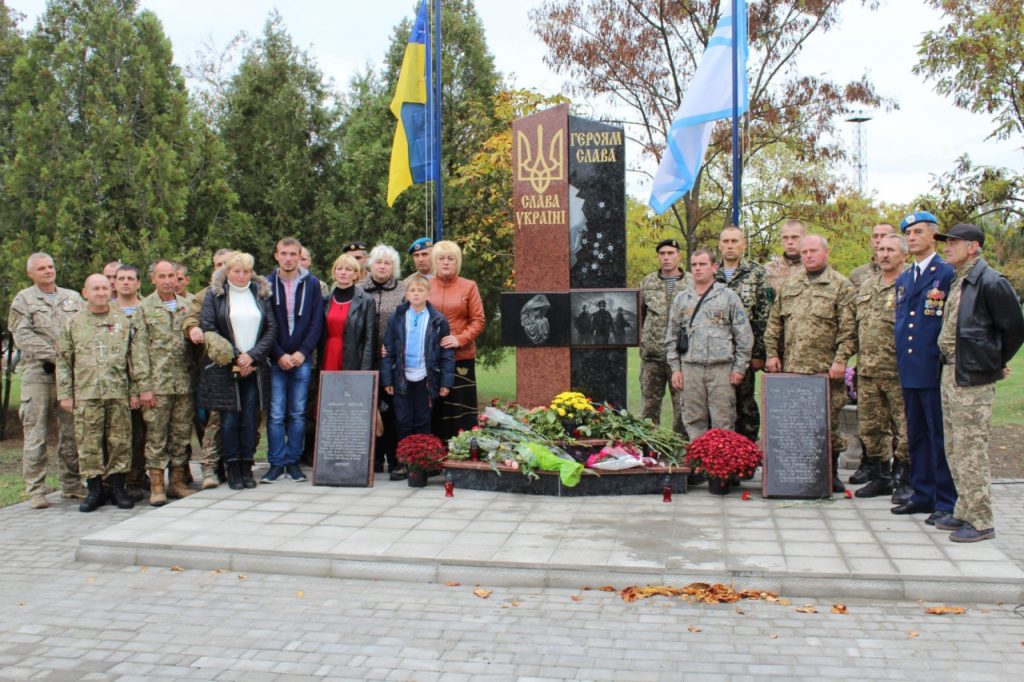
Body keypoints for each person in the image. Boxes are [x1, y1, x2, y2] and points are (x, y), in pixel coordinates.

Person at [933, 224, 1024, 542]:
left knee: (971, 450)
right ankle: (965, 511)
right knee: (955, 448)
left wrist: (994, 363)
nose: (947, 247)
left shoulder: (990, 281)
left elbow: (1014, 329)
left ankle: (982, 521)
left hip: (972, 377)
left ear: (973, 247)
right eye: (947, 242)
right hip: (952, 373)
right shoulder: (961, 279)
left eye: (954, 242)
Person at [765, 234, 856, 493]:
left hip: (825, 372)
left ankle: (831, 473)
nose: (808, 256)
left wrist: (841, 360)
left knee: (829, 424)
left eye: (813, 251)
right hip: (792, 371)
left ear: (825, 253)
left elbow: (848, 329)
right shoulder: (791, 284)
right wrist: (772, 353)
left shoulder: (841, 286)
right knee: (794, 424)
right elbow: (775, 323)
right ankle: (796, 474)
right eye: (804, 252)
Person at [891, 211, 957, 519]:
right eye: (908, 233)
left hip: (934, 367)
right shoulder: (905, 278)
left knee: (938, 436)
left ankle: (945, 500)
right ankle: (922, 492)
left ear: (933, 236)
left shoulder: (946, 273)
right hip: (909, 367)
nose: (912, 237)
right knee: (915, 433)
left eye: (918, 232)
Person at [56, 274, 140, 512]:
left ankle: (118, 488)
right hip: (86, 393)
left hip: (117, 392)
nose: (101, 293)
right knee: (89, 443)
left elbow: (133, 359)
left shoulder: (123, 321)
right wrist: (65, 393)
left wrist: (135, 390)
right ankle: (94, 490)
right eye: (96, 289)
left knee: (120, 442)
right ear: (85, 293)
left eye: (105, 288)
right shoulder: (73, 323)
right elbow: (63, 361)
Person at [7, 253, 85, 508]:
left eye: (50, 266)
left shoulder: (72, 297)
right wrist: (57, 353)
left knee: (71, 434)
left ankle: (71, 484)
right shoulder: (24, 300)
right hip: (38, 376)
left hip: (69, 378)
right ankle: (36, 490)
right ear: (31, 273)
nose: (48, 271)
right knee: (36, 434)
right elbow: (22, 336)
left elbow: (84, 327)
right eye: (41, 268)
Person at [197, 252, 276, 490]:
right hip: (225, 368)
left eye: (246, 271)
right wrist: (235, 357)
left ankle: (246, 466)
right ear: (227, 272)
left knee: (250, 419)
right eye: (236, 271)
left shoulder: (260, 295)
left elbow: (271, 329)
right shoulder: (216, 295)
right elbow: (209, 327)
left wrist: (252, 357)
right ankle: (232, 468)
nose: (241, 276)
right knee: (230, 419)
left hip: (254, 366)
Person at [666, 249, 753, 441]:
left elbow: (744, 335)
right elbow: (671, 336)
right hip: (690, 368)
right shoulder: (682, 298)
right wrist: (675, 369)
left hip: (721, 369)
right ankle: (699, 466)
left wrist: (739, 368)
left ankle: (721, 469)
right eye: (694, 265)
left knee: (723, 421)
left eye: (702, 264)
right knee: (693, 420)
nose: (697, 269)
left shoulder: (728, 297)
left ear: (714, 267)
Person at [132, 260, 198, 505]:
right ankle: (157, 486)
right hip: (157, 386)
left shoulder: (187, 306)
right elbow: (138, 351)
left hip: (184, 383)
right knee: (156, 436)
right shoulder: (144, 308)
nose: (168, 280)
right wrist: (144, 387)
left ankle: (177, 482)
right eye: (162, 276)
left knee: (181, 435)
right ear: (153, 279)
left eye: (172, 275)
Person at [850, 233, 909, 499]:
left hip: (899, 372)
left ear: (903, 255)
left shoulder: (910, 284)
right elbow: (855, 325)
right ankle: (882, 475)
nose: (884, 254)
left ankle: (907, 476)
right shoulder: (867, 285)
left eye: (891, 250)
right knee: (870, 428)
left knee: (905, 429)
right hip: (868, 371)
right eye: (881, 249)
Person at [263, 238, 324, 484]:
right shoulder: (266, 284)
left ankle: (293, 462)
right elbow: (265, 323)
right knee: (276, 413)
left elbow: (316, 322)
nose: (288, 258)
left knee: (298, 413)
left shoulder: (312, 284)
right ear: (276, 255)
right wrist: (277, 354)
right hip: (276, 358)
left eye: (293, 254)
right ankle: (276, 463)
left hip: (302, 358)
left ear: (300, 256)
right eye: (284, 253)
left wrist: (302, 352)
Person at [714, 226, 773, 442]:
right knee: (720, 404)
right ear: (720, 245)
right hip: (715, 353)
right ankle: (723, 452)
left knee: (745, 403)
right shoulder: (711, 273)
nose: (730, 246)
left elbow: (763, 315)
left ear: (743, 244)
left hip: (744, 353)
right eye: (726, 241)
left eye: (735, 241)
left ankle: (747, 452)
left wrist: (759, 353)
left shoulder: (756, 274)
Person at [382, 273, 455, 441]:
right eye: (412, 290)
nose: (416, 294)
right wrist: (387, 380)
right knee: (403, 421)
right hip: (402, 378)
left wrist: (445, 382)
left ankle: (421, 462)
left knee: (423, 421)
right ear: (406, 294)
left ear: (428, 294)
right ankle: (404, 461)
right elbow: (388, 350)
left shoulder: (438, 320)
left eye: (420, 290)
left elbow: (447, 354)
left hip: (426, 378)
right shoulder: (397, 317)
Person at [184, 248, 233, 486]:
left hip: (245, 363)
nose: (223, 267)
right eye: (218, 263)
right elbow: (191, 317)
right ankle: (210, 468)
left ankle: (234, 463)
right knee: (215, 419)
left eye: (228, 263)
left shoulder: (248, 291)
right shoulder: (205, 295)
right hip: (215, 364)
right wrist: (193, 328)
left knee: (245, 418)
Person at [429, 240, 486, 440]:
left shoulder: (469, 286)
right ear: (434, 262)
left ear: (457, 261)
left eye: (450, 258)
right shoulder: (424, 286)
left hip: (461, 356)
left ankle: (462, 451)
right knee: (435, 405)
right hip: (431, 357)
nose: (446, 262)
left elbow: (478, 320)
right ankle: (433, 451)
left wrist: (459, 339)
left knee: (460, 405)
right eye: (441, 258)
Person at [361, 244, 407, 478]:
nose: (382, 266)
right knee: (367, 409)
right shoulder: (359, 289)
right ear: (370, 265)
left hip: (394, 361)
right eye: (378, 262)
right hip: (364, 360)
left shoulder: (404, 290)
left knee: (392, 410)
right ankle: (372, 458)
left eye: (387, 263)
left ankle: (395, 458)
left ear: (394, 267)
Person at [113, 264, 148, 500]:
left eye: (130, 278)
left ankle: (135, 479)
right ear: (114, 283)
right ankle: (112, 483)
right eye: (121, 278)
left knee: (140, 434)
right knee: (114, 436)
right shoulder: (103, 310)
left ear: (138, 283)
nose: (125, 282)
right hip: (112, 384)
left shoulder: (147, 309)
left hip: (144, 381)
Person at [321, 253, 376, 373]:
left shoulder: (367, 301)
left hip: (354, 358)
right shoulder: (325, 300)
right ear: (334, 272)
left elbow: (369, 339)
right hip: (328, 355)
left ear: (356, 274)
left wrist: (364, 370)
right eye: (339, 268)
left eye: (348, 269)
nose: (343, 272)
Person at [765, 219, 806, 296]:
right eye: (785, 237)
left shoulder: (815, 268)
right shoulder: (769, 269)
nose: (790, 242)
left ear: (805, 238)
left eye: (795, 237)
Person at [848, 222, 896, 289]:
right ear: (871, 240)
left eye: (883, 236)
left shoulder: (908, 272)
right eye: (875, 236)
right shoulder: (856, 275)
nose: (878, 240)